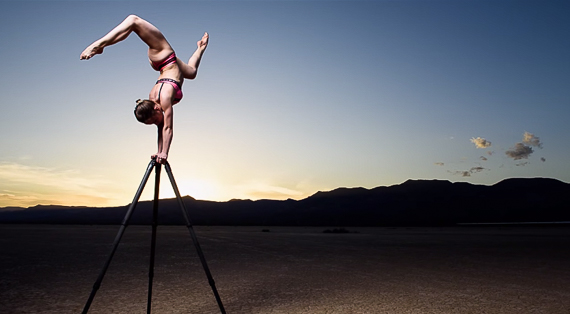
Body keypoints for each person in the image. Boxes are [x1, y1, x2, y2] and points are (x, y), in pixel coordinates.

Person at [80, 15, 208, 164]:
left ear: (155, 107)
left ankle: (98, 45)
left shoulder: (164, 98)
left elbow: (168, 128)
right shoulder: (155, 103)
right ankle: (201, 47)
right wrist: (160, 152)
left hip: (163, 55)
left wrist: (165, 153)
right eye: (151, 123)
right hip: (168, 65)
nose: (156, 122)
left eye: (153, 119)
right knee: (191, 72)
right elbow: (161, 126)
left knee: (134, 21)